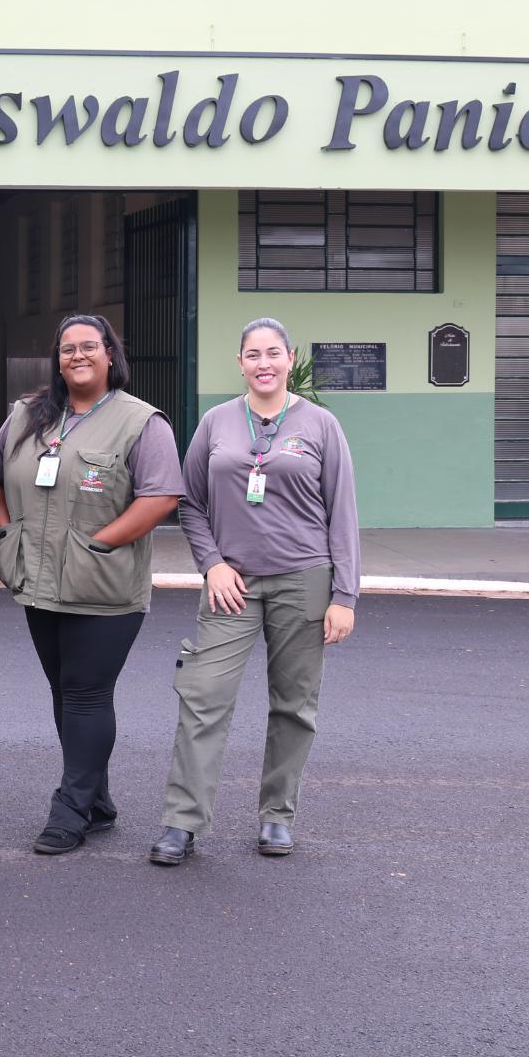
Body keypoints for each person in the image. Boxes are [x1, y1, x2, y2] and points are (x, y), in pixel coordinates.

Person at [149, 317, 360, 867]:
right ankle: (181, 821)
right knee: (203, 698)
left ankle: (277, 816)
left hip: (305, 579)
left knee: (294, 705)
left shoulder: (319, 425)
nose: (263, 363)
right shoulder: (218, 422)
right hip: (232, 585)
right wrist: (212, 565)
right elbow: (189, 501)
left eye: (273, 353)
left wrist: (345, 596)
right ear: (239, 363)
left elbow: (343, 512)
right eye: (252, 354)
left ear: (290, 358)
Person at [0, 314, 182, 856]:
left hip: (104, 587)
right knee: (64, 692)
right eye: (67, 348)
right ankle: (97, 802)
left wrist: (100, 543)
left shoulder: (141, 422)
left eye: (89, 347)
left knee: (85, 693)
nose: (77, 356)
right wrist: (5, 532)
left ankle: (70, 811)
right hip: (38, 580)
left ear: (109, 355)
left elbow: (161, 496)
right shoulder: (28, 415)